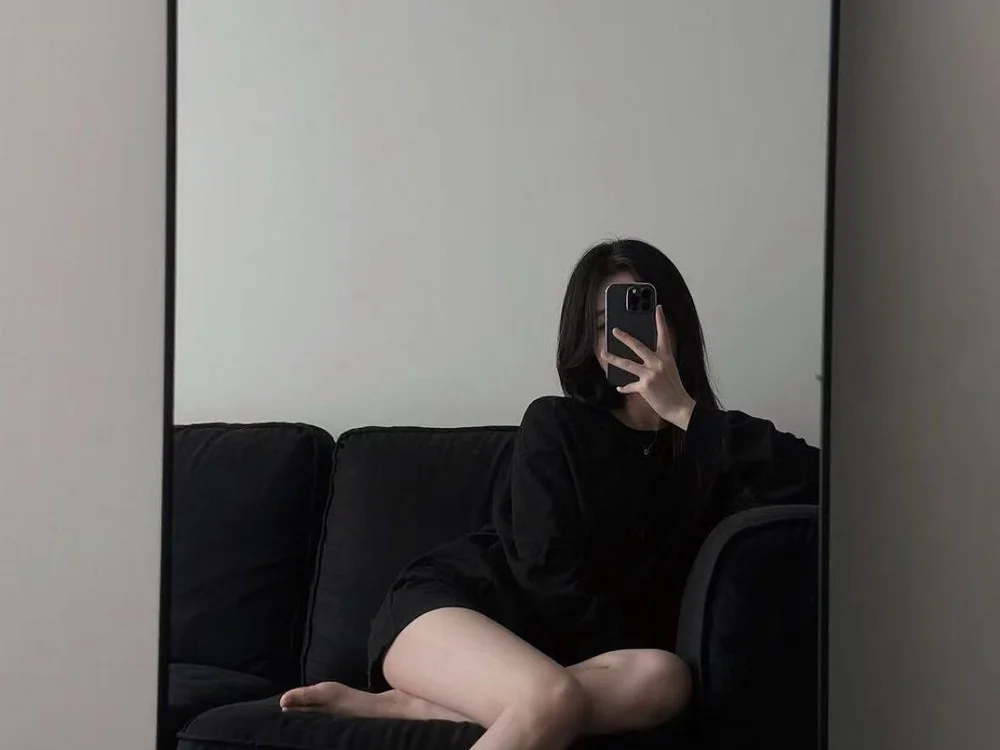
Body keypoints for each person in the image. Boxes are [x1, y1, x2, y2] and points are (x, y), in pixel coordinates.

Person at [280, 238, 820, 750]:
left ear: (676, 324)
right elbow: (545, 570)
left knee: (667, 677)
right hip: (456, 609)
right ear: (589, 343)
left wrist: (684, 412)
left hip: (573, 666)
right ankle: (503, 697)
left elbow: (826, 483)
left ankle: (424, 707)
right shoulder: (556, 424)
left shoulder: (713, 448)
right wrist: (572, 672)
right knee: (552, 697)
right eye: (606, 326)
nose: (627, 338)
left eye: (642, 317)